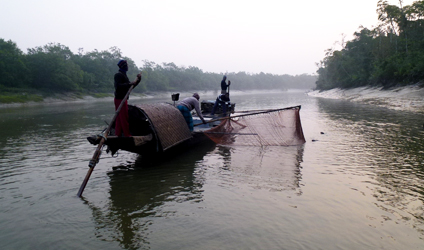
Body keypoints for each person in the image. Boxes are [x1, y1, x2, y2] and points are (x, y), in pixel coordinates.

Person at [114, 59, 141, 137]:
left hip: (123, 99)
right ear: (124, 66)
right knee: (123, 117)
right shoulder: (118, 75)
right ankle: (127, 134)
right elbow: (118, 87)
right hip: (120, 99)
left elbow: (131, 86)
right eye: (127, 65)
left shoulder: (124, 75)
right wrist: (129, 84)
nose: (128, 67)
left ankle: (117, 133)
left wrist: (138, 79)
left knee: (119, 117)